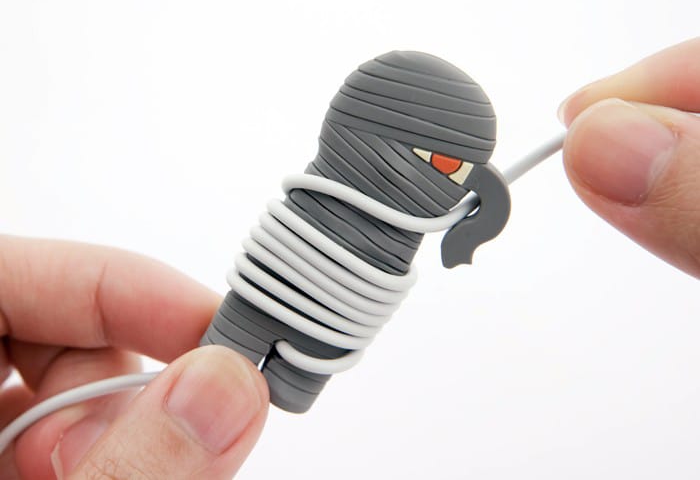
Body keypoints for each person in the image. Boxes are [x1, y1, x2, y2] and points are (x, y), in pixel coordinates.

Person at [1, 37, 698, 479]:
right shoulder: (384, 155)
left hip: (325, 313)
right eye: (445, 163)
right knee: (240, 361)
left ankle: (288, 368)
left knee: (274, 373)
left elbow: (469, 199)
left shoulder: (440, 180)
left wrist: (463, 213)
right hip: (282, 294)